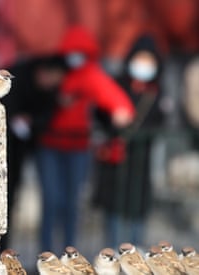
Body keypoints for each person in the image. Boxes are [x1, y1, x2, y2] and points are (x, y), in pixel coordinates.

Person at [36, 25, 135, 253]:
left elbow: (116, 100)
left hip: (77, 147)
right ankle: (45, 254)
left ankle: (68, 254)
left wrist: (120, 111)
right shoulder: (56, 70)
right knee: (51, 201)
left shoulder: (91, 74)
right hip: (50, 145)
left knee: (71, 204)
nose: (74, 57)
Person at [92, 35, 164, 247]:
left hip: (141, 161)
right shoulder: (117, 83)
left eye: (148, 60)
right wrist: (115, 118)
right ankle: (114, 252)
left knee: (137, 210)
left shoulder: (157, 91)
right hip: (116, 158)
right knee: (114, 209)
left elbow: (160, 119)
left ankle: (136, 251)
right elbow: (100, 111)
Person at [0, 55, 67, 252]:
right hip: (5, 151)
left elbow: (46, 117)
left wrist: (32, 122)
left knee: (12, 202)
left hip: (24, 151)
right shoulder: (16, 80)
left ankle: (6, 251)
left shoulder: (49, 93)